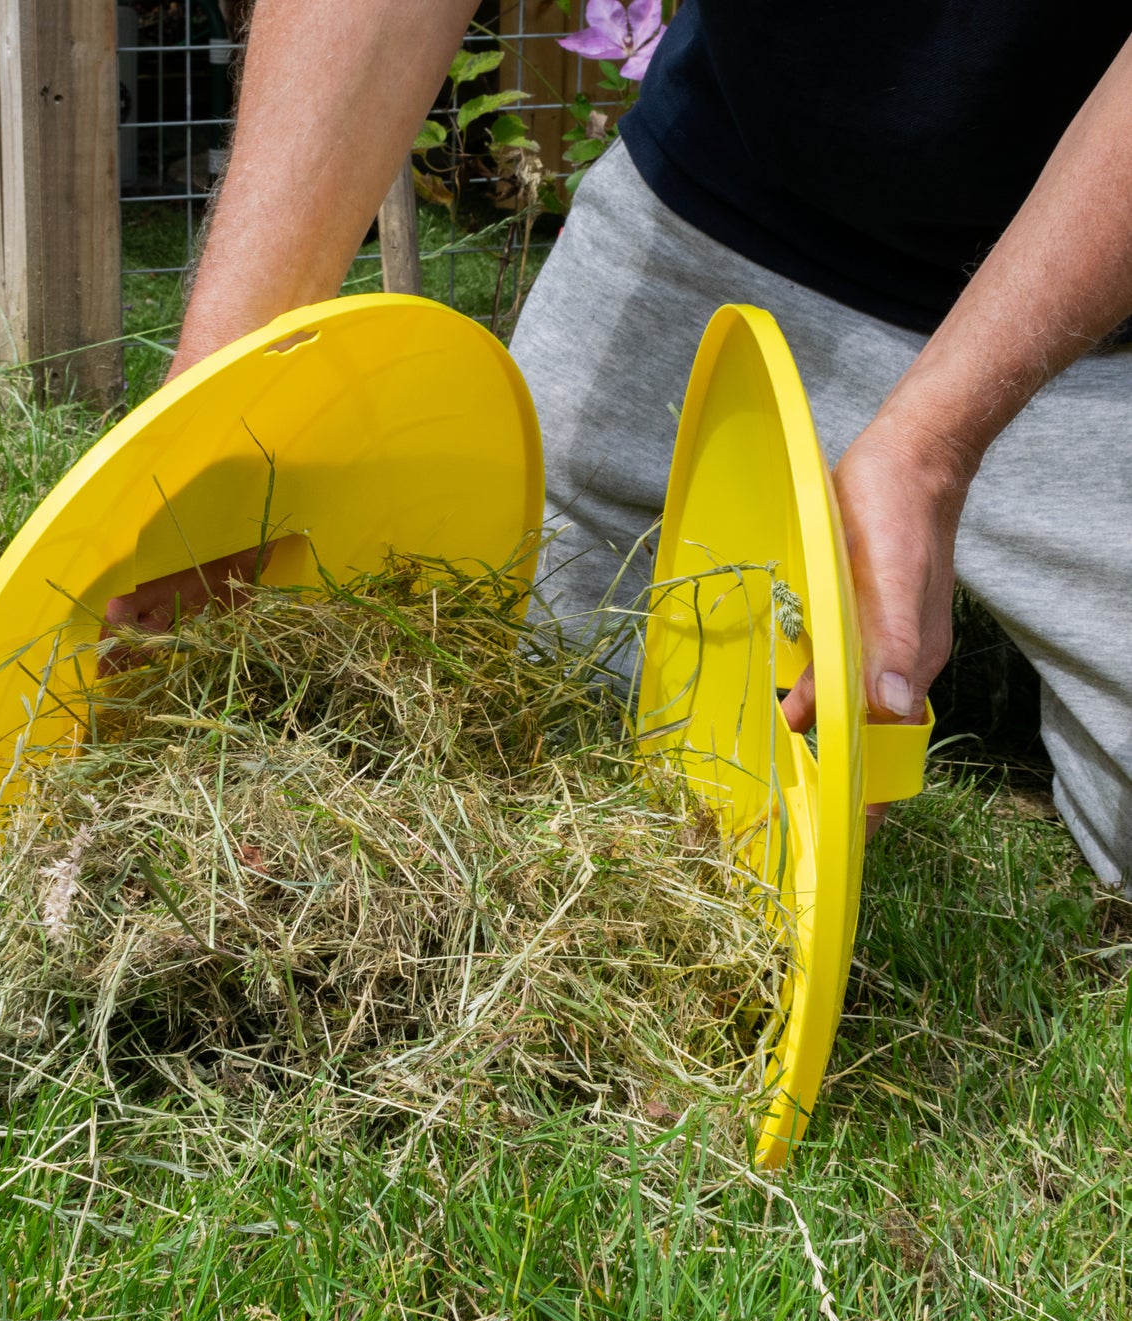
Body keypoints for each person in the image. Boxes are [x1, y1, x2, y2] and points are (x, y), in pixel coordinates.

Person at [105, 1, 1132, 893]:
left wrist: (930, 445)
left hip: (1091, 320)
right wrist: (219, 411)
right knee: (482, 667)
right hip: (729, 210)